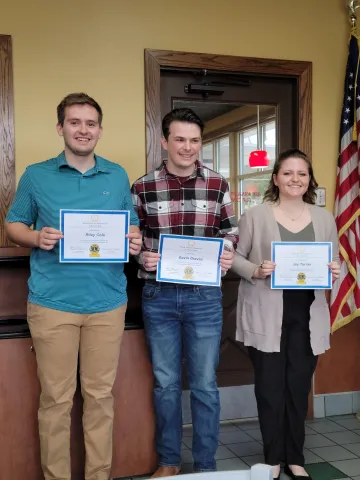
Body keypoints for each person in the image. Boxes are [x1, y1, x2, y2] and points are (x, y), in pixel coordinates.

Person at [5, 93, 141, 480]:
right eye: (75, 122)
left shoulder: (116, 175)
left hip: (107, 303)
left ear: (100, 129)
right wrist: (36, 238)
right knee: (56, 401)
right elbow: (13, 224)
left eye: (91, 123)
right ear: (61, 127)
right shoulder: (36, 174)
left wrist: (133, 239)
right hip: (52, 304)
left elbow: (129, 225)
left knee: (100, 399)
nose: (84, 129)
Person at [131, 108, 239, 477]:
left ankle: (206, 466)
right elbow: (134, 238)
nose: (187, 147)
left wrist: (227, 251)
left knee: (205, 385)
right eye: (179, 139)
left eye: (194, 140)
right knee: (165, 384)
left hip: (204, 297)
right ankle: (169, 462)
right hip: (158, 296)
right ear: (164, 141)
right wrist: (142, 254)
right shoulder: (142, 186)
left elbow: (230, 231)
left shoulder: (218, 184)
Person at [232, 149, 340, 480]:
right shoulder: (255, 215)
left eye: (302, 173)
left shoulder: (324, 218)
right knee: (269, 389)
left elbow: (334, 261)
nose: (295, 179)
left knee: (296, 387)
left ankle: (295, 457)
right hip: (267, 314)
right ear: (276, 178)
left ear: (309, 180)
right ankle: (273, 459)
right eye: (288, 173)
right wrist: (257, 270)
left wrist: (335, 269)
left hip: (307, 316)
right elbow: (234, 257)